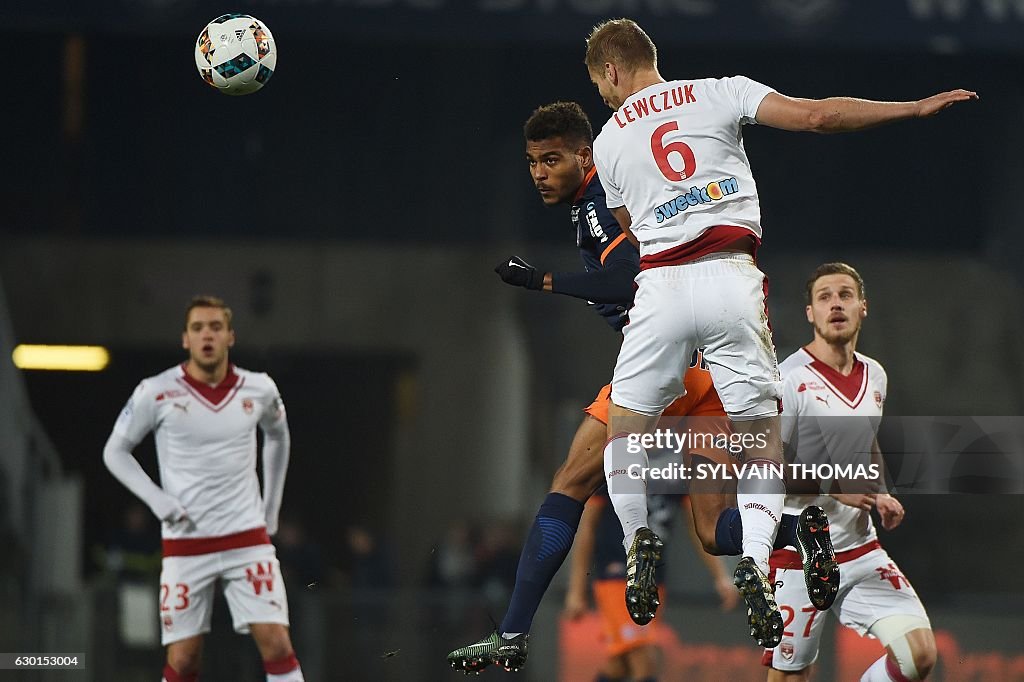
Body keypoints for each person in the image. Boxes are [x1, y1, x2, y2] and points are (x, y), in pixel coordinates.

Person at [583, 18, 976, 646]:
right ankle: (758, 566)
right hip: (731, 277)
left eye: (601, 86)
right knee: (760, 445)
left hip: (660, 285)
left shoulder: (606, 142)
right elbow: (820, 116)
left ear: (610, 71)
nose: (605, 96)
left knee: (624, 429)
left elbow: (630, 223)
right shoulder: (720, 90)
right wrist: (912, 108)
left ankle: (636, 544)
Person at [446, 101, 810, 674]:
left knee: (569, 485)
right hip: (709, 374)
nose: (540, 172)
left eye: (551, 159)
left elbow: (627, 280)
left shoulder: (596, 200)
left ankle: (513, 633)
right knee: (714, 530)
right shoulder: (609, 195)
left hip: (666, 368)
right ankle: (798, 528)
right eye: (532, 162)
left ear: (584, 157)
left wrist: (542, 281)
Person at [102, 295, 304, 682]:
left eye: (215, 327)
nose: (206, 335)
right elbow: (115, 451)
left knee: (277, 643)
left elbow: (278, 436)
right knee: (184, 659)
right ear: (185, 339)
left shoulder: (259, 389)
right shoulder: (156, 391)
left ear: (231, 336)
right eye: (197, 328)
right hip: (186, 542)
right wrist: (157, 500)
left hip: (246, 537)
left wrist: (271, 508)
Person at [763, 263, 935, 681]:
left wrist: (879, 493)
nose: (835, 303)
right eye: (824, 297)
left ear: (862, 308)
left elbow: (867, 443)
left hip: (861, 547)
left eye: (845, 294)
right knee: (792, 674)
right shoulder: (788, 379)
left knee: (919, 655)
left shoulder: (875, 373)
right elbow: (763, 469)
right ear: (810, 313)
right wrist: (833, 486)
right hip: (799, 552)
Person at [563, 489, 738, 682]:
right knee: (644, 657)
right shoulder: (613, 465)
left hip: (653, 579)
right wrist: (576, 589)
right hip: (617, 577)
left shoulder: (674, 472)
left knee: (620, 663)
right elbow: (587, 527)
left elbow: (698, 527)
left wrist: (721, 576)